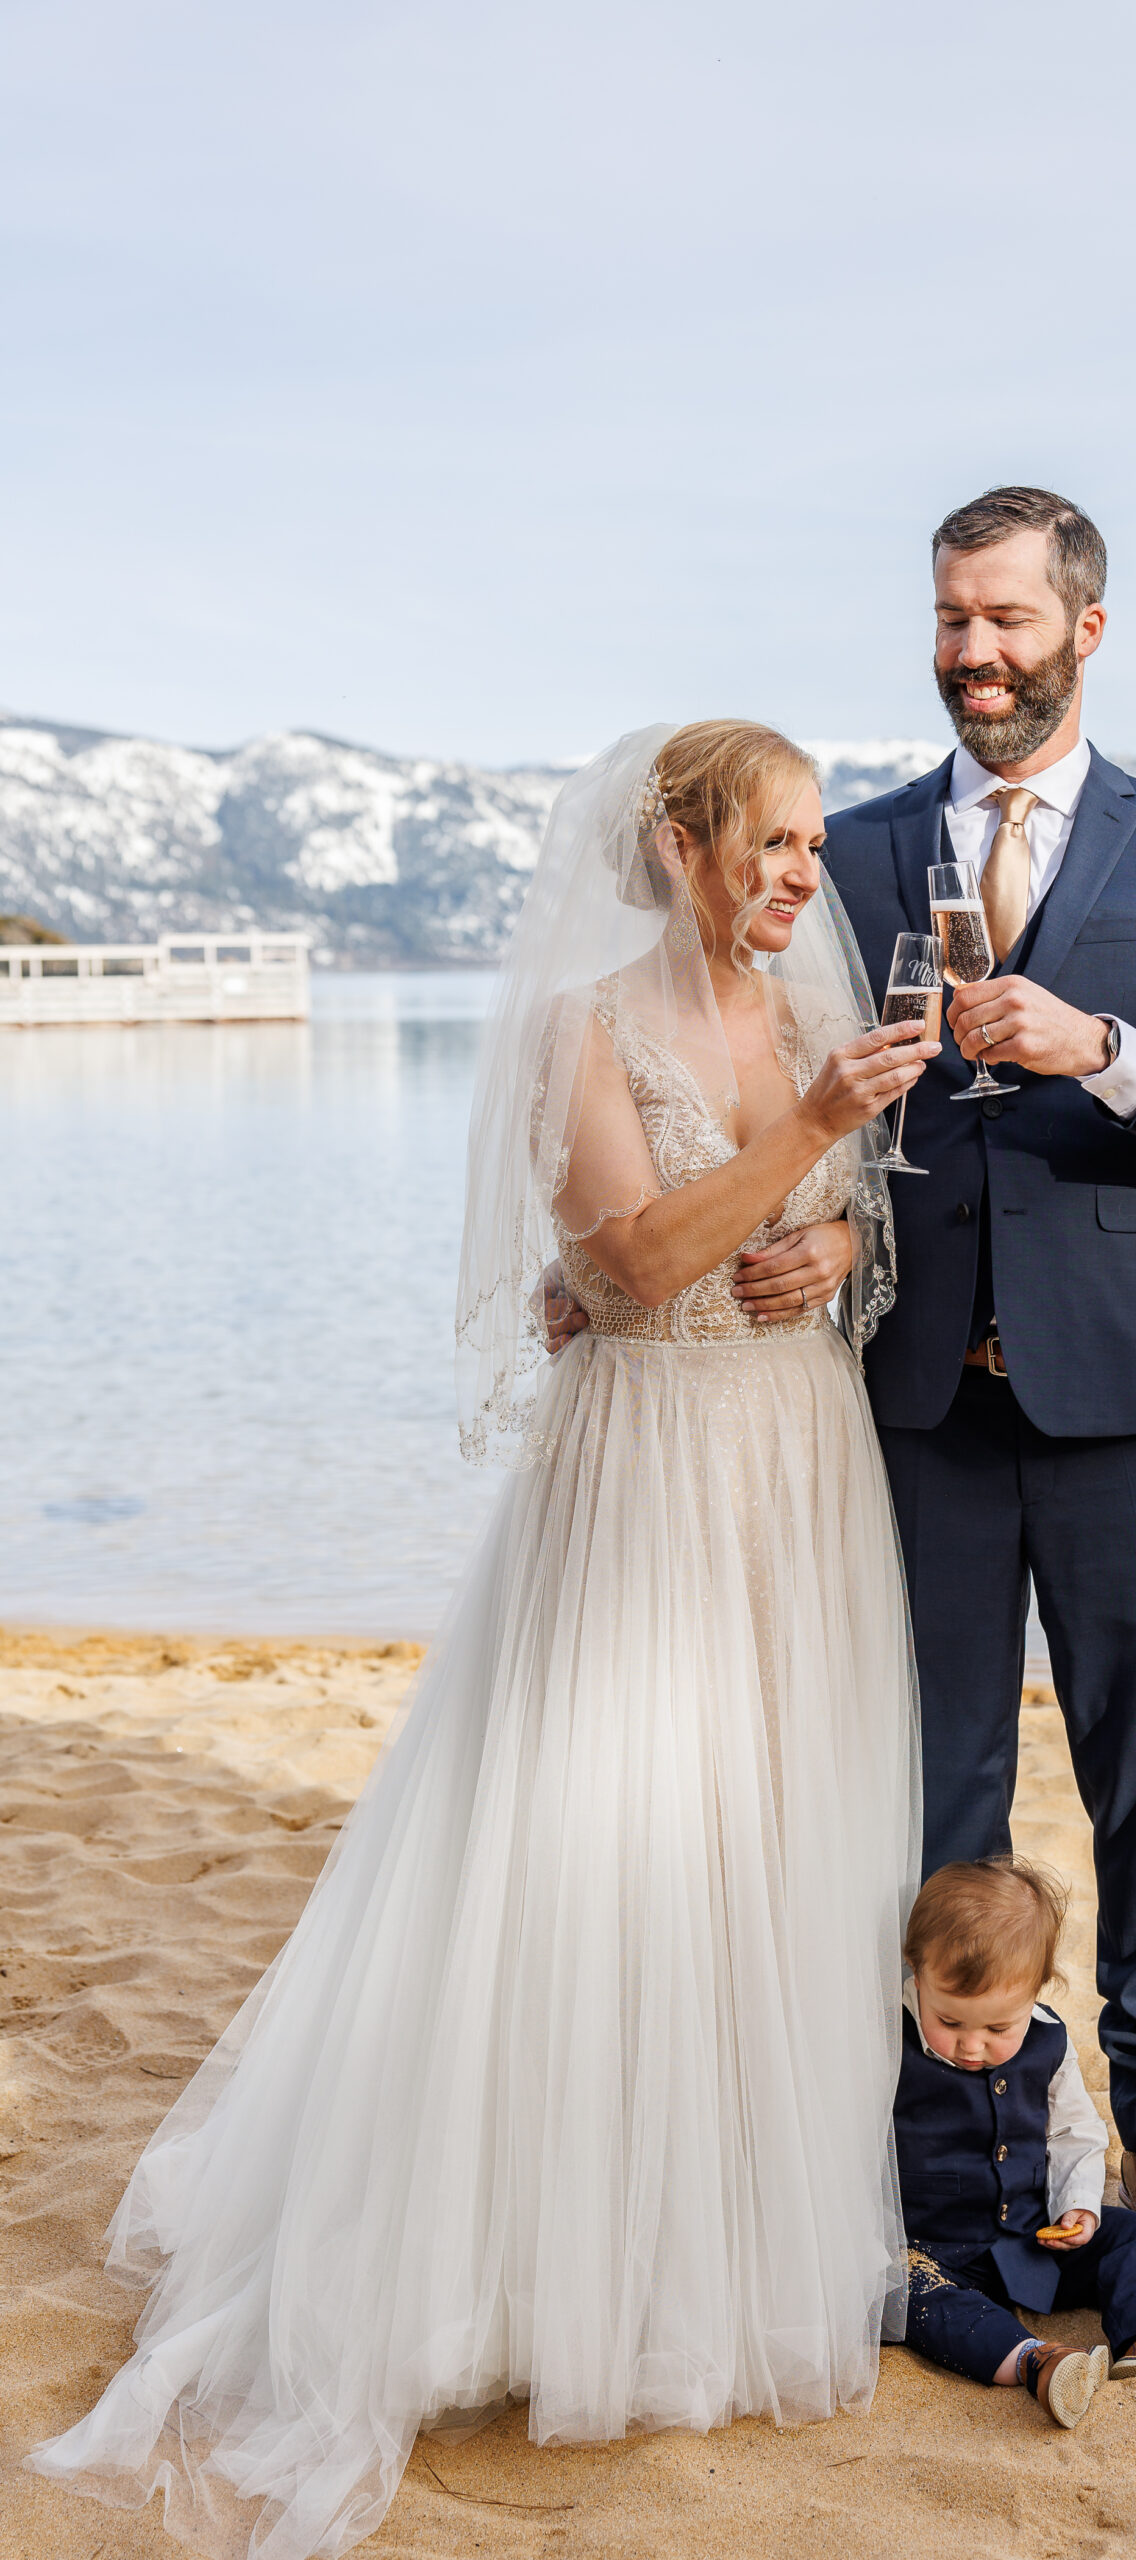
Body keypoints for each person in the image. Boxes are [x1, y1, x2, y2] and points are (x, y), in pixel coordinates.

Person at [28, 722, 925, 2560]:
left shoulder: (809, 1015)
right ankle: (542, 2271)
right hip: (652, 1464)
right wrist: (820, 1131)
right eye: (767, 841)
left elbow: (847, 1234)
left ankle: (728, 2248)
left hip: (797, 1464)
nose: (794, 876)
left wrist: (838, 1243)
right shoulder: (580, 1028)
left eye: (811, 847)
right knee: (595, 1835)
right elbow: (621, 1271)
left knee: (766, 1834)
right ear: (679, 845)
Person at [547, 489, 1136, 2280]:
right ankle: (933, 2130)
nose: (972, 653)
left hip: (1126, 1400)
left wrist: (1104, 1051)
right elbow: (729, 1089)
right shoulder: (852, 851)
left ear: (1083, 630)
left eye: (1005, 622)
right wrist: (610, 1263)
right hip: (903, 1411)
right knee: (926, 1789)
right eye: (950, 620)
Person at [895, 1858, 1136, 2434]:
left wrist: (1078, 2206)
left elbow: (1073, 2131)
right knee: (906, 2294)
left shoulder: (1048, 2038)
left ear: (1036, 1989)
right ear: (916, 1973)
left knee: (1131, 2233)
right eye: (951, 2020)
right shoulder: (889, 2038)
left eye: (997, 2029)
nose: (972, 2046)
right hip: (932, 2246)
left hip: (1030, 2236)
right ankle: (1033, 2360)